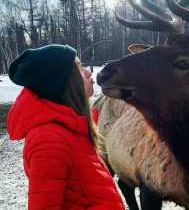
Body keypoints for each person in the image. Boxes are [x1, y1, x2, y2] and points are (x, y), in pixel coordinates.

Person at [7, 44, 125, 210]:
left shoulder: (73, 129)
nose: (88, 72)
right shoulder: (49, 140)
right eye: (78, 67)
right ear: (61, 81)